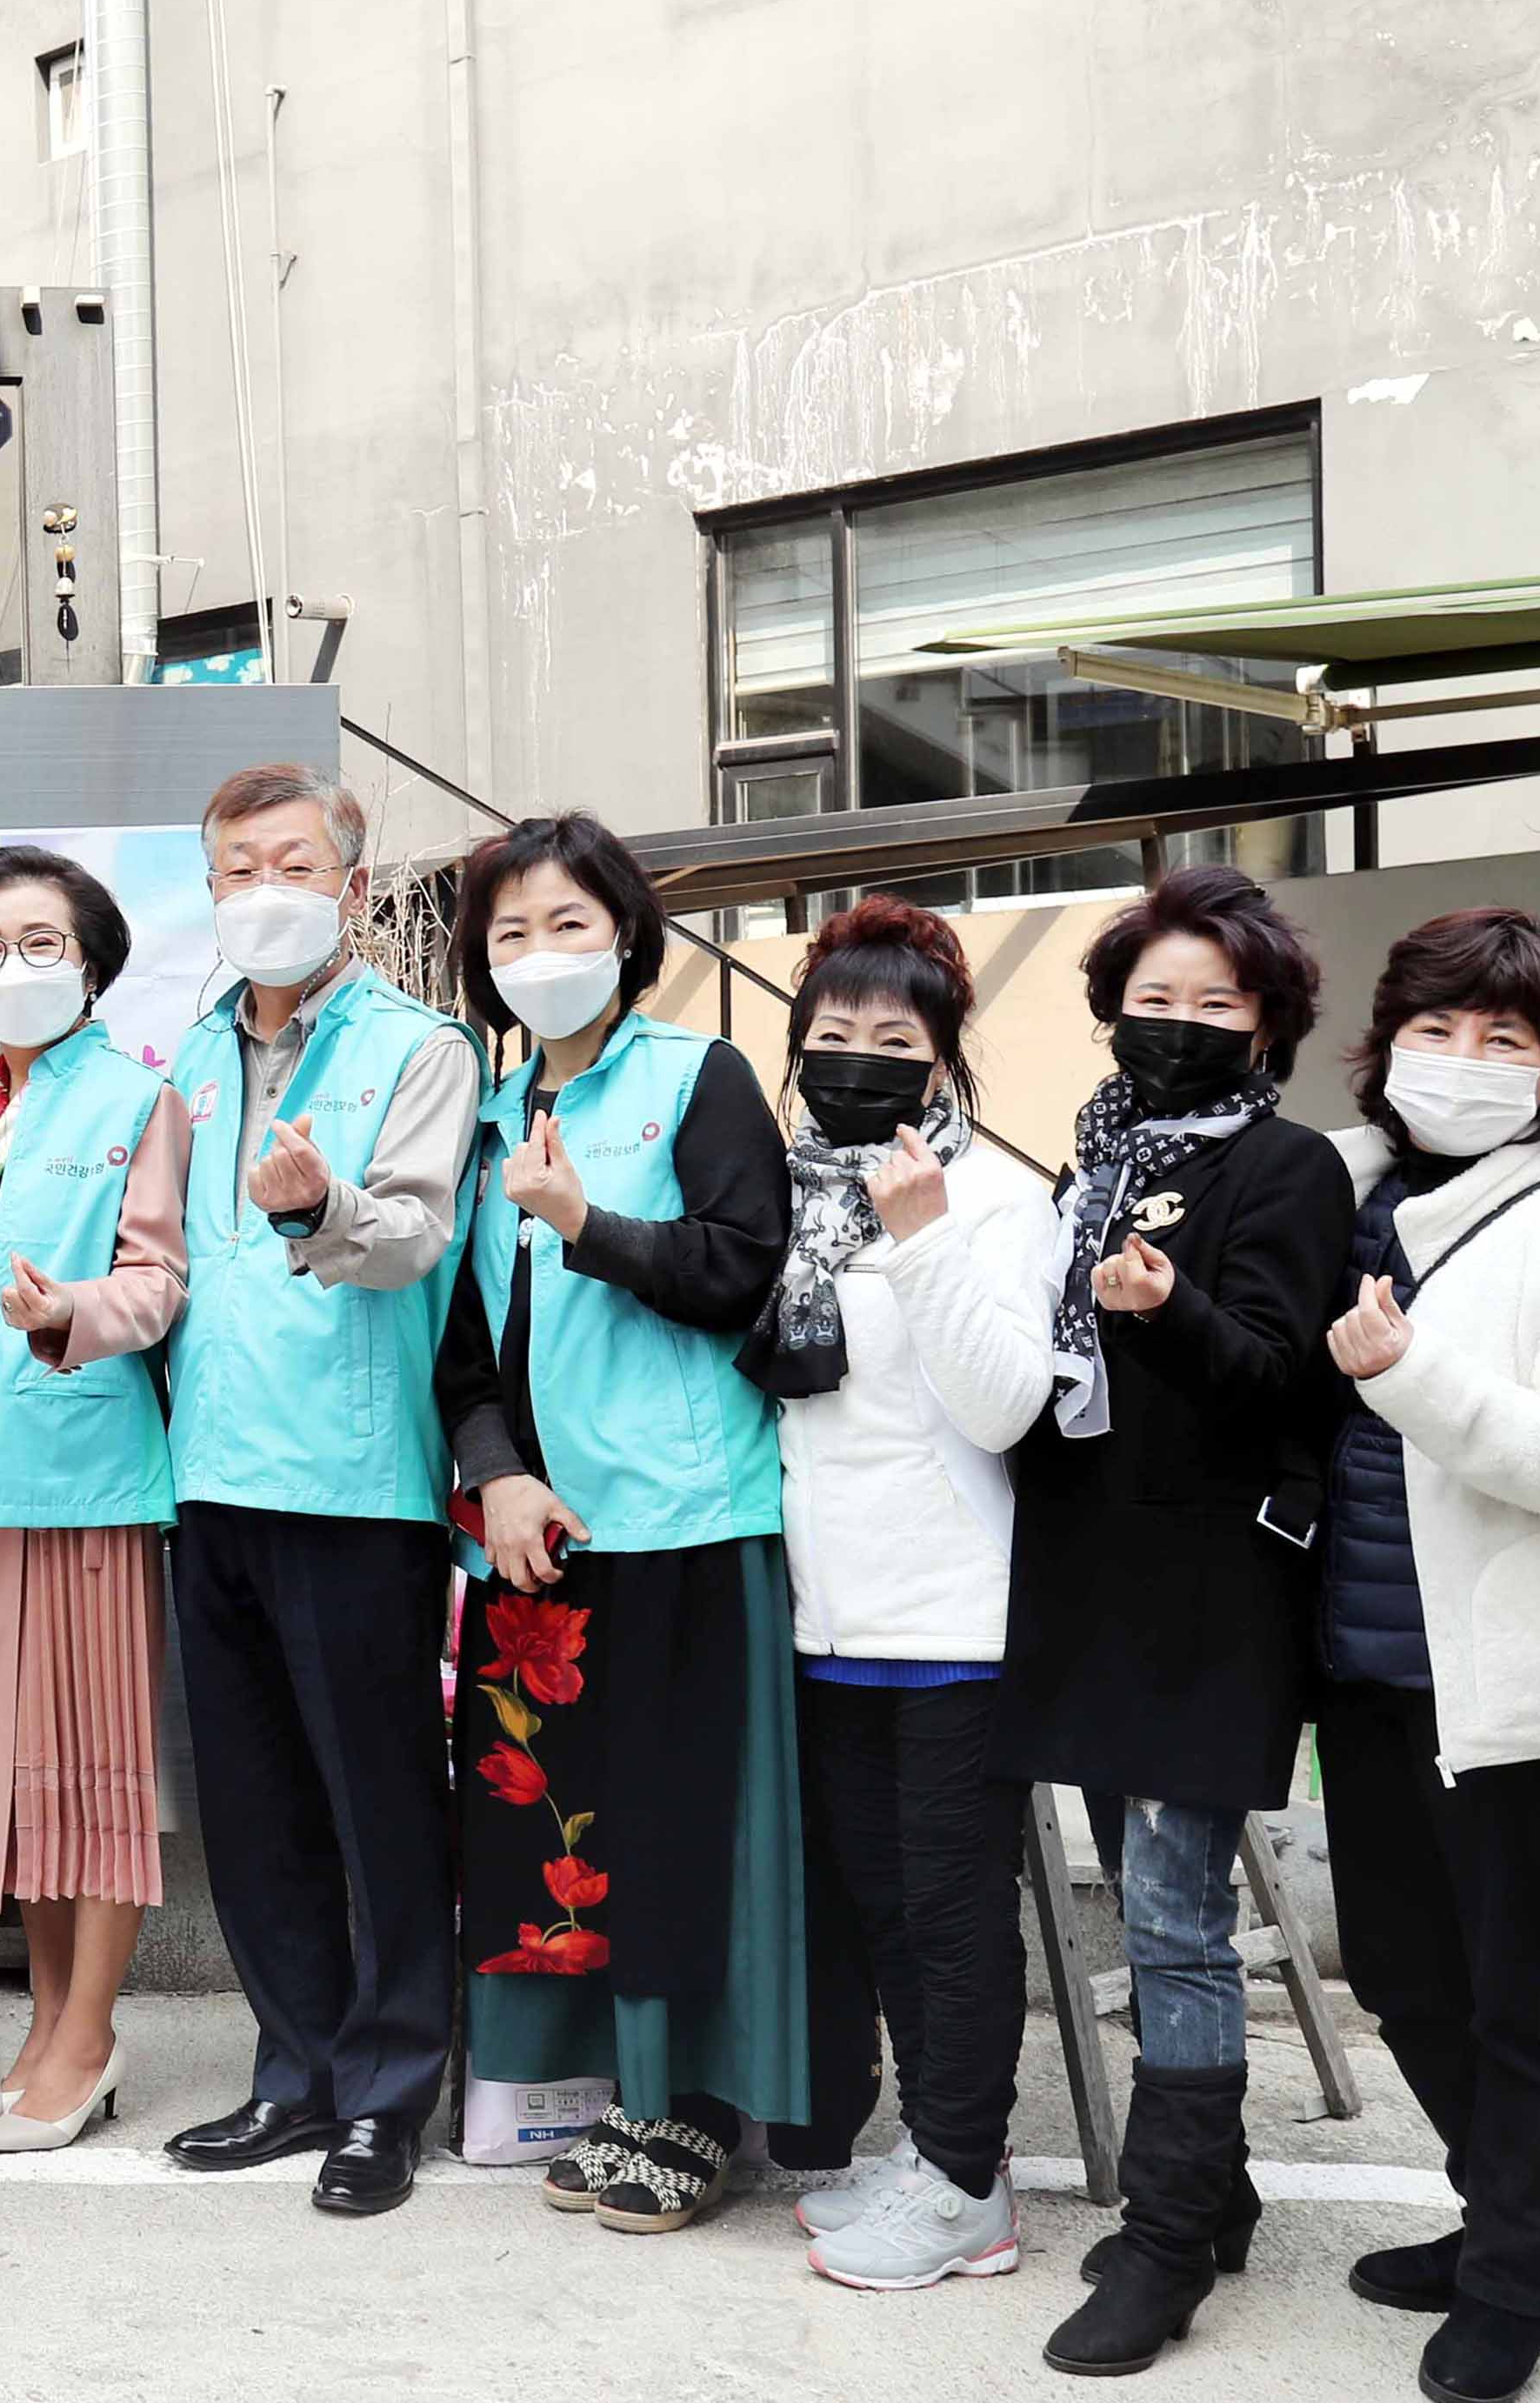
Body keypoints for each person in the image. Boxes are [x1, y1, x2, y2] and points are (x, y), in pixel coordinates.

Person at [1303, 911, 1540, 2402]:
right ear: (1387, 1043)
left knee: (1524, 2005)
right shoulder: (1340, 1190)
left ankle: (1519, 2275)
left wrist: (1414, 1374)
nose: (1460, 1058)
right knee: (1401, 1977)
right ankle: (1502, 2217)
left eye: (1501, 1036)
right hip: (1357, 1667)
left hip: (1505, 1691)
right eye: (1434, 1028)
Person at [1005, 864, 1357, 2376]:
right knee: (1148, 1905)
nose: (1179, 1022)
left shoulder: (1287, 1167)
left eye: (1215, 1000)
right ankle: (1214, 2193)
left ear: (1265, 1021)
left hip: (1205, 1590)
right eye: (1153, 997)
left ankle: (1163, 2240)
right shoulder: (1089, 1159)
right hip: (1092, 1578)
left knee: (1171, 1916)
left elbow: (1283, 1376)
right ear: (1110, 1011)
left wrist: (1167, 1311)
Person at [442, 813, 805, 2239]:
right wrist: (497, 1476)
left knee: (676, 1828)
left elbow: (743, 1267)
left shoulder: (696, 1076)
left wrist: (586, 1221)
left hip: (680, 1521)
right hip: (543, 1540)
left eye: (569, 923)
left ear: (628, 937)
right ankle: (615, 2091)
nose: (540, 953)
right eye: (511, 931)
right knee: (564, 1835)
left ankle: (691, 2109)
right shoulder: (487, 1116)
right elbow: (464, 1350)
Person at [153, 764, 478, 2219]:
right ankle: (292, 2071)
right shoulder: (187, 1053)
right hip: (209, 1473)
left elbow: (412, 1237)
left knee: (378, 1802)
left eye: (290, 863)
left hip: (353, 1480)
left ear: (348, 886)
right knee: (254, 1804)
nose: (261, 890)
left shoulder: (417, 1047)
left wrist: (318, 1203)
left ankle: (388, 2091)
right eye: (236, 867)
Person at [743, 897, 1059, 2291]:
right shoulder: (789, 1195)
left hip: (951, 1622)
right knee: (882, 1903)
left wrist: (921, 1238)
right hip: (826, 1619)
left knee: (949, 1908)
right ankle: (940, 2151)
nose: (856, 1059)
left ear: (941, 1058)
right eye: (832, 1032)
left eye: (892, 1038)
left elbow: (1001, 1409)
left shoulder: (995, 1199)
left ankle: (968, 2189)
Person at [0, 846, 188, 2155]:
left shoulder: (138, 1101)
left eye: (40, 943)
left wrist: (68, 1310)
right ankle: (44, 2025)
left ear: (91, 962)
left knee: (90, 1765)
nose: (12, 967)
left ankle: (89, 2035)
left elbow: (159, 1281)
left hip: (83, 1479)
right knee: (15, 1773)